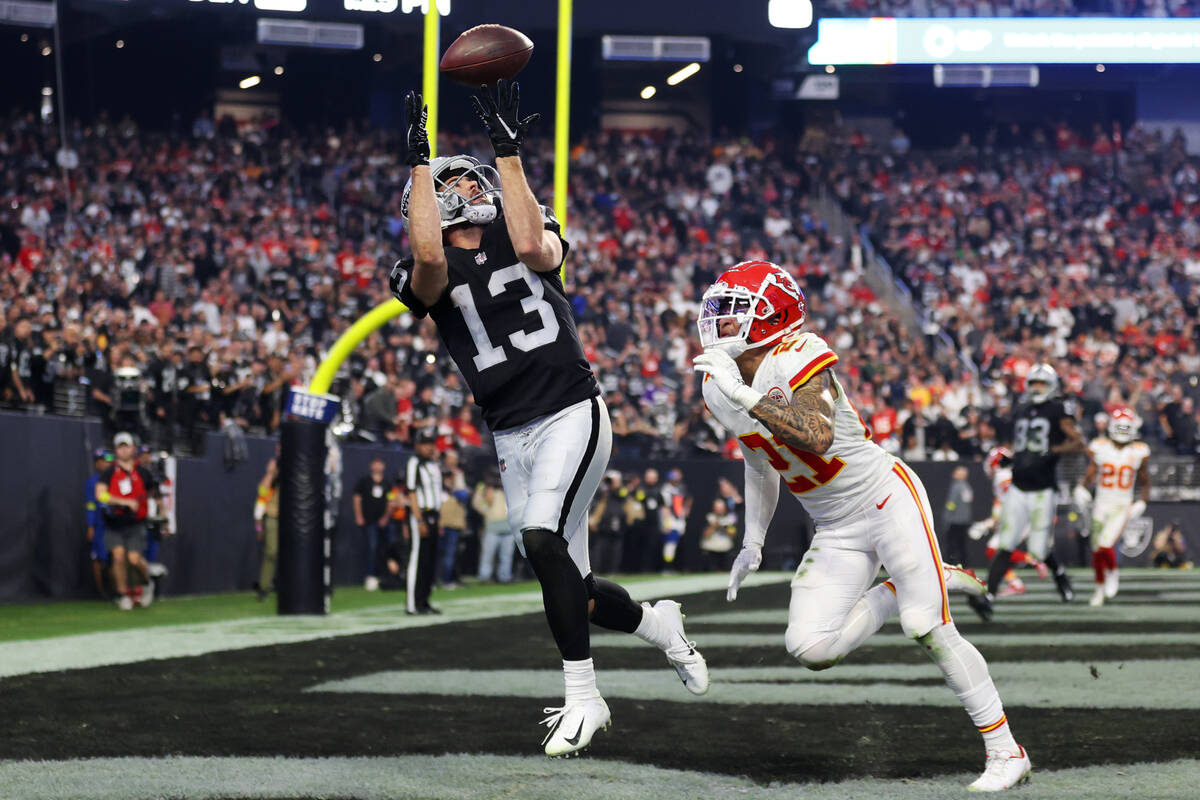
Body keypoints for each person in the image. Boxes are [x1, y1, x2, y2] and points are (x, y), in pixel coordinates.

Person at [390, 84, 708, 757]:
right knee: (576, 587)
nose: (459, 185)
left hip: (569, 407)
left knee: (539, 538)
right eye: (446, 182)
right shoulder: (423, 262)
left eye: (459, 175)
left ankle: (584, 698)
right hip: (509, 430)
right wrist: (419, 165)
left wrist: (509, 151)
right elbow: (426, 264)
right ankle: (658, 625)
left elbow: (538, 246)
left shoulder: (519, 224)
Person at [692, 260, 1028, 792]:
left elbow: (816, 436)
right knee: (810, 647)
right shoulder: (720, 386)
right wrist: (752, 540)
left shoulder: (797, 353)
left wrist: (745, 395)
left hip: (885, 499)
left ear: (772, 315)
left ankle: (1006, 752)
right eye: (718, 312)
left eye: (732, 313)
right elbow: (758, 460)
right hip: (834, 527)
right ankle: (900, 587)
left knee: (929, 628)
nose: (719, 324)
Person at [971, 363, 1086, 621]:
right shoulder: (1021, 409)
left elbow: (1078, 442)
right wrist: (1014, 460)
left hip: (1043, 488)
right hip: (1018, 485)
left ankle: (1061, 577)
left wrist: (1052, 452)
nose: (1036, 388)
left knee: (1039, 549)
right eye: (1033, 383)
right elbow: (1023, 445)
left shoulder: (1058, 409)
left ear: (1051, 386)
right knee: (1006, 543)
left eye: (1041, 384)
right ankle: (988, 597)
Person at [1073, 407, 1151, 606]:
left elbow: (1145, 481)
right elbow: (1090, 474)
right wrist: (1081, 489)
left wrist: (1142, 501)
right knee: (1096, 550)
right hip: (1101, 503)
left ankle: (1113, 572)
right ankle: (1099, 589)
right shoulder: (1101, 447)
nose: (1123, 432)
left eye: (1127, 428)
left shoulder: (1138, 451)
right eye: (1120, 427)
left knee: (1105, 544)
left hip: (1121, 505)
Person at [95, 432, 160, 610]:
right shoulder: (109, 472)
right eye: (119, 447)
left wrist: (162, 512)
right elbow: (101, 494)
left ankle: (147, 582)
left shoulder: (142, 472)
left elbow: (155, 493)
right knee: (117, 556)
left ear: (133, 448)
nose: (123, 450)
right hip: (114, 522)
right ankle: (122, 594)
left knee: (133, 559)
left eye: (126, 446)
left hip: (135, 523)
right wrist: (123, 502)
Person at [405, 429, 443, 613]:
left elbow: (437, 494)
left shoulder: (433, 465)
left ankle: (425, 601)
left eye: (431, 443)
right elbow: (411, 492)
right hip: (421, 514)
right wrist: (419, 521)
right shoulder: (414, 463)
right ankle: (413, 604)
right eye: (425, 444)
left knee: (430, 561)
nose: (429, 447)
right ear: (417, 446)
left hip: (434, 515)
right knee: (417, 559)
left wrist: (439, 519)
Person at [354, 456, 394, 591]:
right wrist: (359, 515)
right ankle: (370, 576)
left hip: (384, 521)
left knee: (385, 548)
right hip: (369, 520)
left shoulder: (387, 483)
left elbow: (391, 501)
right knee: (372, 547)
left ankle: (384, 575)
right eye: (375, 464)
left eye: (380, 464)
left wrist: (386, 517)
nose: (378, 467)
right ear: (372, 466)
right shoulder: (364, 481)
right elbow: (357, 498)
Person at [473, 475, 514, 583]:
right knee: (488, 554)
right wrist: (487, 511)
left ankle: (505, 577)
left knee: (506, 555)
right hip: (492, 526)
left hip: (508, 526)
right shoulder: (484, 489)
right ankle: (484, 577)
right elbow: (476, 503)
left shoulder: (506, 487)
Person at [85, 449, 113, 598]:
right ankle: (101, 591)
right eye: (103, 460)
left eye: (108, 460)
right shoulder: (92, 482)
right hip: (99, 524)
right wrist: (90, 525)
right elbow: (90, 504)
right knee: (98, 558)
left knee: (114, 557)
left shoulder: (115, 478)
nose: (106, 463)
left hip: (114, 523)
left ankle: (115, 589)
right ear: (97, 463)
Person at [253, 451, 280, 601]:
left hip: (291, 520)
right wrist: (258, 527)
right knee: (271, 552)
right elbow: (261, 497)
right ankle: (264, 587)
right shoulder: (270, 481)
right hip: (272, 517)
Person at [659, 469, 692, 570]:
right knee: (670, 543)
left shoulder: (681, 488)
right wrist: (666, 522)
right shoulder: (665, 490)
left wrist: (686, 510)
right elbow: (665, 507)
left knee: (678, 543)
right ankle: (667, 566)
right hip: (671, 519)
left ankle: (677, 565)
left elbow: (689, 498)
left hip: (680, 519)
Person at [942, 465, 974, 567]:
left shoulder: (956, 486)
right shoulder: (967, 487)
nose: (953, 474)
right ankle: (965, 566)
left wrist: (947, 515)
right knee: (962, 545)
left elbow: (951, 503)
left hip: (954, 521)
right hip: (964, 521)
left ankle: (949, 565)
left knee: (951, 545)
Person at [699, 497, 737, 572]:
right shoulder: (708, 517)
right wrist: (715, 525)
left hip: (726, 550)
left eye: (721, 508)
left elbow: (733, 535)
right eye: (717, 508)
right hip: (711, 550)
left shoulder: (730, 519)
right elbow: (705, 534)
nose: (719, 510)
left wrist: (725, 527)